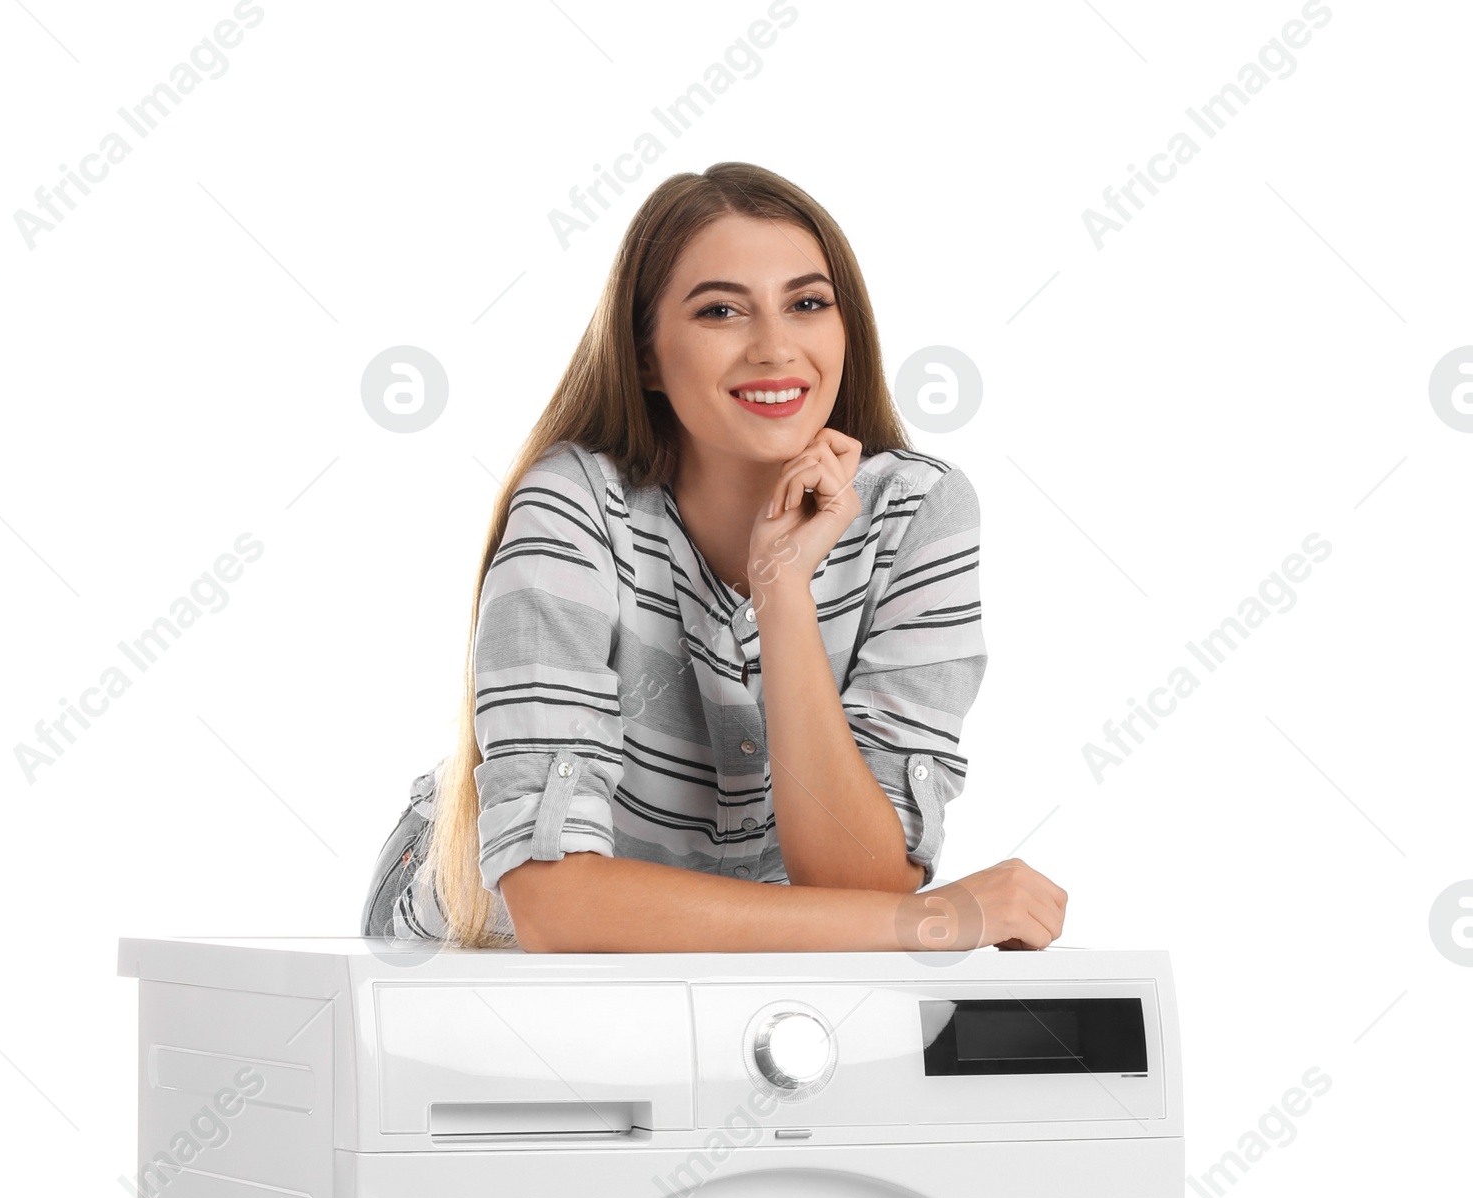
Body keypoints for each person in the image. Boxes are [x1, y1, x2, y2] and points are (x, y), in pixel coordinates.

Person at [361, 161, 1066, 956]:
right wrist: (939, 919)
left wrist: (781, 587)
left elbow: (857, 887)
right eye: (722, 311)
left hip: (734, 935)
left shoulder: (916, 512)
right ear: (649, 357)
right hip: (473, 917)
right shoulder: (573, 504)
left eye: (806, 304)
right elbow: (557, 907)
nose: (775, 348)